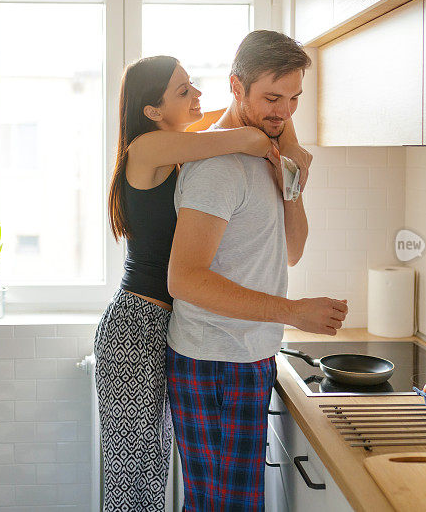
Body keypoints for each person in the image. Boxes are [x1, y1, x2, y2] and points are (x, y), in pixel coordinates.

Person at [95, 55, 310, 511]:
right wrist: (277, 139)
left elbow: (234, 127)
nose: (196, 95)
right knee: (134, 474)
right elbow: (246, 137)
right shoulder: (147, 148)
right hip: (135, 327)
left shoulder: (174, 141)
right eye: (182, 91)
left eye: (193, 86)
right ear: (152, 111)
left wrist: (277, 126)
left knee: (152, 474)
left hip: (158, 323)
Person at [166, 30, 349, 510]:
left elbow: (294, 249)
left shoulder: (267, 156)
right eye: (272, 97)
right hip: (214, 362)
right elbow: (184, 279)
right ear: (236, 86)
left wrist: (292, 177)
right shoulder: (218, 166)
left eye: (294, 99)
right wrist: (294, 312)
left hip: (247, 357)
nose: (285, 112)